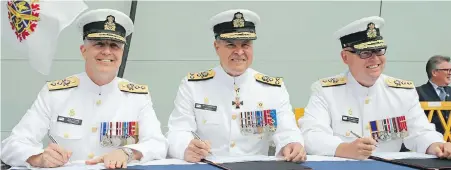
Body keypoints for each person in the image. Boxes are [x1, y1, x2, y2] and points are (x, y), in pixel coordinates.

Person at [0, 9, 168, 168]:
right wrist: (39, 157)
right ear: (83, 51)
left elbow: (158, 143)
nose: (107, 51)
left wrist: (128, 152)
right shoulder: (55, 94)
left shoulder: (137, 97)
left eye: (115, 46)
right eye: (99, 44)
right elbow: (11, 145)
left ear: (122, 54)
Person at [298, 16, 451, 160]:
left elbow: (420, 131)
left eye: (379, 50)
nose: (375, 58)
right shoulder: (325, 91)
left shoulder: (402, 92)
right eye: (365, 52)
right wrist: (343, 149)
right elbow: (312, 134)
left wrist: (435, 145)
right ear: (345, 57)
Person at [166, 9, 306, 163]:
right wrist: (186, 148)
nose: (239, 52)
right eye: (231, 45)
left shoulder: (273, 88)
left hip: (255, 166)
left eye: (245, 45)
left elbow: (287, 129)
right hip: (208, 165)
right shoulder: (193, 86)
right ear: (216, 47)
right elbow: (178, 130)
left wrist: (292, 143)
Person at [416, 55, 451, 134]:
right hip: (431, 142)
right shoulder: (417, 92)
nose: (450, 73)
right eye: (447, 70)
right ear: (434, 72)